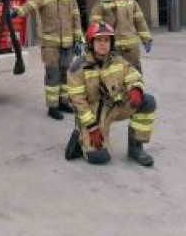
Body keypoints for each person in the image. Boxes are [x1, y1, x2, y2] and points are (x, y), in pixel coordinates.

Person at [66, 21, 156, 167]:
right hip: (93, 115)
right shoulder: (78, 67)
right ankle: (81, 138)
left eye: (107, 40)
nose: (103, 44)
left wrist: (136, 90)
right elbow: (78, 102)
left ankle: (135, 147)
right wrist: (91, 127)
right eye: (99, 40)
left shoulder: (118, 60)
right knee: (100, 157)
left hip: (115, 106)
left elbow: (133, 75)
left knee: (148, 102)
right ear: (91, 42)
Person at [11, 0, 84, 120]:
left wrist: (79, 39)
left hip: (68, 44)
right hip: (51, 46)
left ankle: (63, 102)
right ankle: (52, 107)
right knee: (53, 76)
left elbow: (76, 18)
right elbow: (30, 5)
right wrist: (18, 12)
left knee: (66, 75)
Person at [90, 0, 152, 72]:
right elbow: (94, 26)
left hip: (132, 50)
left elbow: (140, 22)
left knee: (134, 75)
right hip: (112, 49)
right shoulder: (101, 4)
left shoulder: (132, 2)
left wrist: (146, 39)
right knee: (113, 77)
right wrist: (93, 45)